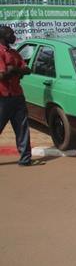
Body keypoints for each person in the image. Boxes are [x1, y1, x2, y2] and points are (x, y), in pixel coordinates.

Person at [0, 26, 44, 166]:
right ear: (2, 36)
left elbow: (27, 69)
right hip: (3, 97)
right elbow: (1, 75)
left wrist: (14, 70)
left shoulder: (14, 53)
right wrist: (14, 71)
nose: (13, 36)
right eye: (10, 34)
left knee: (22, 128)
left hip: (17, 95)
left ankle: (25, 159)